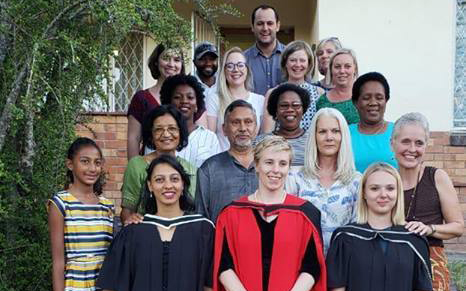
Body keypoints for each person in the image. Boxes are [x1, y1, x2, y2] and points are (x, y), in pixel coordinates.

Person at [213, 135, 327, 291]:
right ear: (257, 165)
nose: (276, 170)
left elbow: (312, 266)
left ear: (289, 168)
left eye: (283, 164)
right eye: (269, 162)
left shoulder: (305, 214)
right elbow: (223, 263)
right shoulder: (232, 213)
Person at [97, 155, 214, 291]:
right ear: (150, 185)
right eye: (159, 180)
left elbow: (209, 285)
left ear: (183, 184)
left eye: (174, 179)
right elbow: (111, 286)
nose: (168, 185)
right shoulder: (132, 233)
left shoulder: (203, 230)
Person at [326, 162, 433, 291]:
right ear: (364, 193)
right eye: (374, 188)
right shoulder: (345, 238)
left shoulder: (414, 239)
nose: (383, 194)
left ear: (398, 193)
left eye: (390, 188)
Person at [391, 112, 464, 291]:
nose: (412, 149)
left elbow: (458, 226)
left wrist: (430, 228)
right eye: (405, 141)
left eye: (419, 143)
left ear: (426, 146)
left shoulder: (437, 177)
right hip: (392, 262)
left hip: (430, 264)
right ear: (392, 143)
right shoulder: (385, 179)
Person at [286, 108, 361, 254]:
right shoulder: (294, 177)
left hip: (342, 264)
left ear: (343, 135)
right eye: (322, 132)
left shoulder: (356, 180)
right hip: (303, 264)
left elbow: (357, 231)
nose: (329, 137)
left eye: (335, 131)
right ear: (314, 136)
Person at [48, 137, 114, 291]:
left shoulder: (107, 206)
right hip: (75, 284)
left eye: (97, 163)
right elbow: (58, 261)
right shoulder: (60, 203)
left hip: (104, 284)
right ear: (70, 164)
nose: (92, 168)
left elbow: (111, 257)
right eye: (85, 161)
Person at [121, 105, 197, 225]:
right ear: (151, 135)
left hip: (182, 232)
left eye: (172, 128)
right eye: (159, 129)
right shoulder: (137, 165)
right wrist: (131, 219)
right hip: (146, 233)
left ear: (180, 132)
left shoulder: (190, 169)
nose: (166, 134)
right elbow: (127, 211)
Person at [195, 100, 259, 223]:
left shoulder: (269, 166)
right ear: (224, 129)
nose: (243, 128)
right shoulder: (209, 169)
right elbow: (200, 218)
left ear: (256, 128)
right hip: (222, 241)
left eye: (248, 122)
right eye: (236, 122)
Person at [206, 47, 264, 151]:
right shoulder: (214, 99)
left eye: (240, 65)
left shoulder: (260, 100)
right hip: (223, 162)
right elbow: (209, 138)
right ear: (224, 71)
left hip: (252, 162)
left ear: (247, 69)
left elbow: (263, 138)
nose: (235, 70)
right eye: (230, 66)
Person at [262, 40, 325, 132]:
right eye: (293, 60)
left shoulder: (319, 93)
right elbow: (267, 133)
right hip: (280, 145)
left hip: (309, 145)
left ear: (309, 64)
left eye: (302, 60)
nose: (298, 64)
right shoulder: (273, 93)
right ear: (285, 63)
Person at [160, 74, 220, 167]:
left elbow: (216, 173)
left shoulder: (210, 138)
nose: (184, 101)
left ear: (197, 105)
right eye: (177, 97)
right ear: (169, 102)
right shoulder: (160, 136)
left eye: (190, 97)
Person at [349, 72, 397, 172]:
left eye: (379, 98)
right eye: (366, 98)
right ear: (355, 102)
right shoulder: (345, 134)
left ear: (386, 101)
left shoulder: (398, 132)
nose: (373, 103)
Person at [257, 83, 311, 167]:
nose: (290, 109)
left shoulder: (314, 140)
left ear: (303, 110)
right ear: (275, 111)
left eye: (296, 105)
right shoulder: (260, 143)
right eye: (284, 105)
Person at [245, 5, 285, 95]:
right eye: (260, 23)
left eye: (270, 23)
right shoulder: (243, 60)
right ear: (252, 26)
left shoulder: (291, 56)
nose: (265, 28)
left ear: (278, 26)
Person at [316, 48, 359, 125]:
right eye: (337, 67)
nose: (342, 71)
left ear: (355, 69)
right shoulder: (322, 101)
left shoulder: (364, 97)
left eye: (347, 66)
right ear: (331, 70)